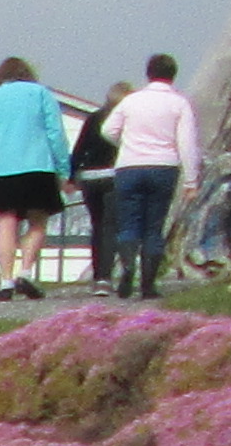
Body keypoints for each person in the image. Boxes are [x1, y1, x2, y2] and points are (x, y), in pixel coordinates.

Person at [0, 57, 72, 300]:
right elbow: (55, 133)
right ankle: (27, 271)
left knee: (6, 223)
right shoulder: (41, 94)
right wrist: (64, 168)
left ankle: (6, 280)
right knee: (38, 221)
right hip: (37, 166)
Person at [100, 53, 203, 298]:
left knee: (128, 224)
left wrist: (125, 144)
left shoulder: (131, 101)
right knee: (154, 227)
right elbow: (187, 143)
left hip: (129, 166)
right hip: (163, 167)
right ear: (173, 75)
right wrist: (191, 180)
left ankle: (127, 266)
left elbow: (107, 130)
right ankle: (148, 285)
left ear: (148, 74)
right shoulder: (179, 103)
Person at [70, 83, 124, 292]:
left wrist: (72, 175)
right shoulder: (123, 120)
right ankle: (105, 277)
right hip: (113, 175)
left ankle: (98, 273)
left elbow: (79, 148)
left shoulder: (94, 118)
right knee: (110, 226)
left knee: (97, 225)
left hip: (90, 177)